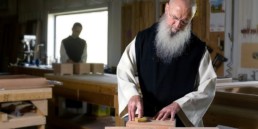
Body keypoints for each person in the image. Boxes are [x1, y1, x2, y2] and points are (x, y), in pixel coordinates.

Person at [117, 0, 216, 127]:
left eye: (185, 21)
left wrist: (179, 105)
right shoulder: (143, 39)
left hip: (180, 120)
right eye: (174, 18)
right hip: (147, 118)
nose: (177, 25)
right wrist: (132, 94)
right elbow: (124, 69)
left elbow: (208, 87)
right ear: (167, 9)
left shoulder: (199, 50)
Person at [60, 22, 87, 112]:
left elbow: (84, 56)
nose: (77, 33)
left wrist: (81, 62)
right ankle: (67, 112)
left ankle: (77, 112)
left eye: (79, 31)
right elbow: (63, 54)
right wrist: (68, 60)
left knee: (77, 90)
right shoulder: (64, 41)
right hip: (67, 70)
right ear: (72, 29)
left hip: (78, 70)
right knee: (69, 90)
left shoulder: (83, 42)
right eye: (76, 30)